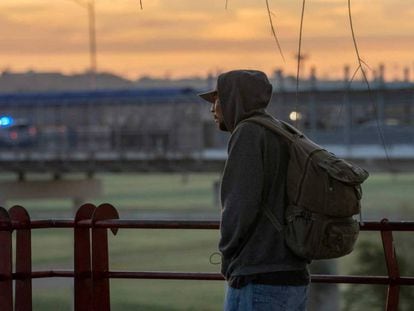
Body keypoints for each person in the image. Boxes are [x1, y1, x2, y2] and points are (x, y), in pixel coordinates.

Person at [198, 70, 310, 311]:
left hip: (259, 277)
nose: (212, 110)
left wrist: (227, 256)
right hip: (291, 274)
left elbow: (239, 206)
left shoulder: (248, 133)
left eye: (217, 100)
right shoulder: (280, 130)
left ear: (233, 99)